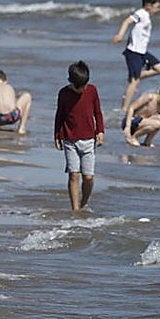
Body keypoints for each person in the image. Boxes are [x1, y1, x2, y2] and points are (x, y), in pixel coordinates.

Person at [53, 60, 105, 211]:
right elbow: (60, 115)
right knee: (73, 175)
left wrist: (100, 131)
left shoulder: (92, 90)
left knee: (88, 177)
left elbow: (98, 112)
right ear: (71, 82)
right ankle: (75, 209)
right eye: (80, 87)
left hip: (89, 139)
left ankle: (84, 202)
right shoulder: (64, 93)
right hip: (70, 140)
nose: (83, 89)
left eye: (84, 85)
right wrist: (57, 135)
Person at [111, 0, 160, 113]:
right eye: (157, 7)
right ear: (148, 5)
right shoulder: (140, 13)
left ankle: (135, 76)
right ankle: (124, 108)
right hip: (134, 52)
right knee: (134, 82)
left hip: (142, 52)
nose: (158, 10)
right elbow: (127, 21)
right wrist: (120, 35)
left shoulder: (147, 17)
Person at [123, 80, 160, 146]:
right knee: (157, 123)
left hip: (140, 123)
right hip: (131, 121)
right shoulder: (150, 97)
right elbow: (131, 108)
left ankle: (147, 142)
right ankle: (133, 138)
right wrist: (127, 126)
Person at [0, 69, 32, 134]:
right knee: (27, 96)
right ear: (6, 81)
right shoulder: (9, 87)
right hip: (13, 116)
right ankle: (21, 128)